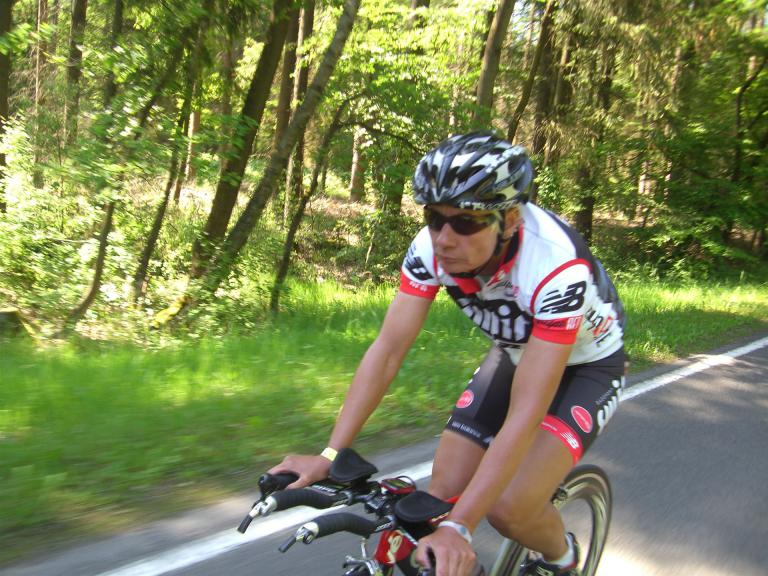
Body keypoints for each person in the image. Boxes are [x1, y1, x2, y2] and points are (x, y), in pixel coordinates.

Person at [270, 132, 626, 576]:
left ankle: (563, 559)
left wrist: (461, 528)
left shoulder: (555, 266)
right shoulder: (429, 248)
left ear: (510, 219)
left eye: (466, 222)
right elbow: (388, 350)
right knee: (437, 497)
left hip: (589, 366)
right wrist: (330, 454)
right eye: (434, 217)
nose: (444, 238)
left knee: (509, 507)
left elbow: (526, 411)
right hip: (515, 352)